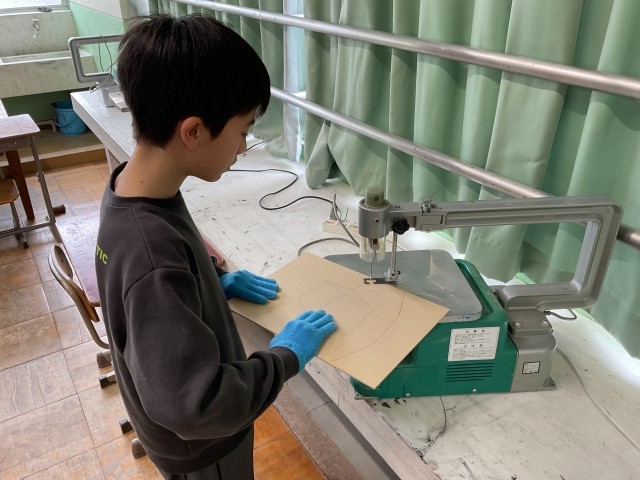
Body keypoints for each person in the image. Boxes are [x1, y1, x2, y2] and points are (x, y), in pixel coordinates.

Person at [94, 13, 337, 480]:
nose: (243, 147)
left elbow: (146, 308)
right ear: (193, 132)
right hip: (203, 451)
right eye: (243, 131)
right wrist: (284, 356)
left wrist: (210, 286)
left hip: (178, 427)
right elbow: (197, 407)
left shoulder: (132, 189)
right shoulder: (152, 253)